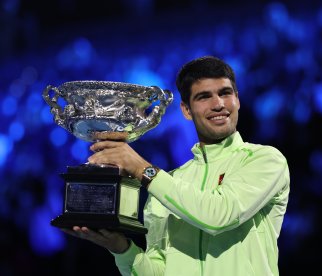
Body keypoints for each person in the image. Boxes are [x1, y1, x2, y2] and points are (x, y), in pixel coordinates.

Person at [61, 56, 290, 275]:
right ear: (186, 110)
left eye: (225, 93)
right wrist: (121, 248)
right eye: (204, 97)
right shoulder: (168, 183)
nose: (218, 104)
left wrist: (142, 169)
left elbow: (218, 215)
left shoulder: (265, 160)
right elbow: (159, 271)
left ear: (237, 100)